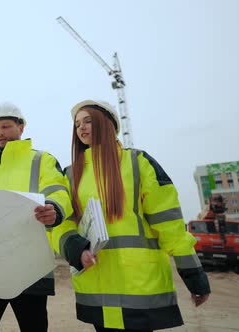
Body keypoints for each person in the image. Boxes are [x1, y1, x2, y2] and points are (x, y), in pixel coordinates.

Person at [52, 100, 211, 332]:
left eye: (88, 121)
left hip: (139, 284)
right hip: (95, 284)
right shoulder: (70, 175)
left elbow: (170, 225)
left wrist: (193, 275)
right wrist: (75, 248)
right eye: (77, 125)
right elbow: (60, 224)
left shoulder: (138, 163)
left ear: (107, 124)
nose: (81, 128)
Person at [0, 102, 72, 332]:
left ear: (21, 127)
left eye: (6, 126)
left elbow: (58, 191)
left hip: (29, 266)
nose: (0, 133)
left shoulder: (42, 160)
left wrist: (54, 208)